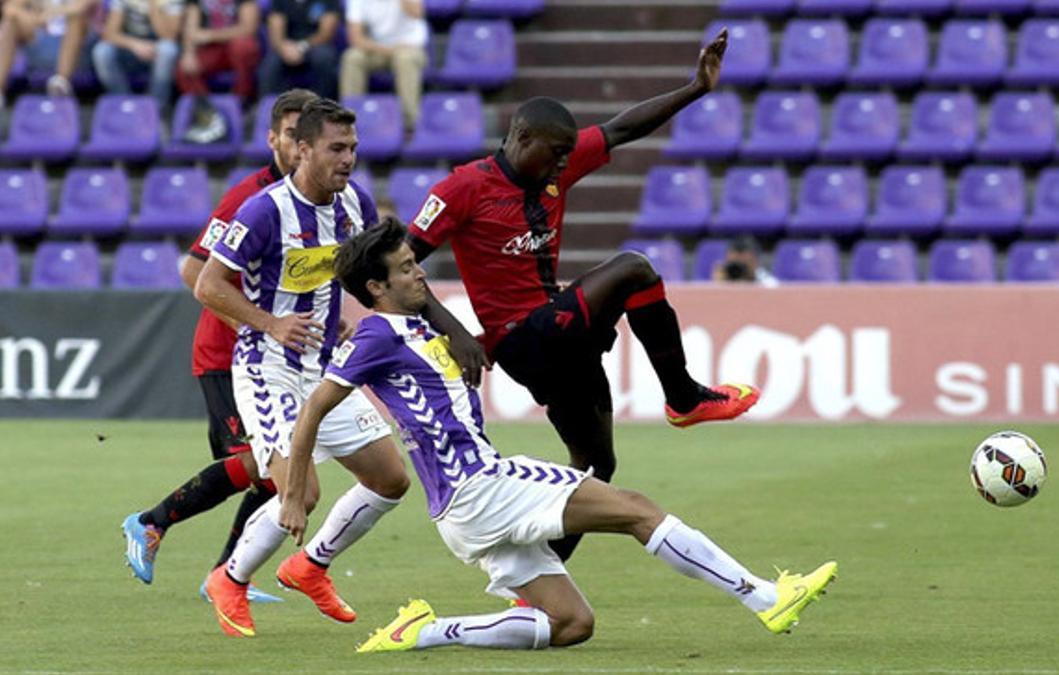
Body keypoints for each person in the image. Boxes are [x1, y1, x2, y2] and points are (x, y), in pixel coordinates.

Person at [277, 221, 837, 653]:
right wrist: (293, 489)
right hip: (479, 486)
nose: (419, 273)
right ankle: (766, 597)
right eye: (404, 269)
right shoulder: (377, 336)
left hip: (463, 509)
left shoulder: (413, 324)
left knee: (571, 625)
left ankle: (423, 632)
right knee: (637, 510)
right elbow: (314, 410)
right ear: (376, 286)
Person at [405, 28, 757, 562]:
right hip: (521, 339)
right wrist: (453, 331)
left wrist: (696, 88)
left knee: (595, 470)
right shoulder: (462, 189)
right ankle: (683, 398)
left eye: (568, 155)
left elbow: (621, 128)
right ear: (522, 138)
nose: (563, 165)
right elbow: (400, 262)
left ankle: (537, 583)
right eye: (555, 154)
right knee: (634, 270)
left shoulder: (555, 168)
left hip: (557, 338)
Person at [194, 98, 409, 638]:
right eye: (337, 148)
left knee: (390, 479)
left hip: (324, 366)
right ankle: (230, 578)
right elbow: (207, 283)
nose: (349, 159)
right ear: (303, 149)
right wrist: (269, 322)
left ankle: (310, 566)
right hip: (268, 368)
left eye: (354, 148)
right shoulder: (263, 211)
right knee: (301, 491)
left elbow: (357, 270)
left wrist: (346, 315)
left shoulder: (354, 204)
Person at [121, 89, 321, 605]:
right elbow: (194, 270)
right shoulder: (249, 198)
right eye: (291, 137)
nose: (301, 147)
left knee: (273, 477)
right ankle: (151, 523)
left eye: (308, 138)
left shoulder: (319, 201)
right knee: (266, 469)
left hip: (284, 360)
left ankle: (228, 577)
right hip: (230, 355)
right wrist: (259, 324)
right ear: (274, 138)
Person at [0, 0, 98, 108]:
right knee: (10, 20)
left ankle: (62, 82)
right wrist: (34, 19)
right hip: (45, 41)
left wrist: (53, 12)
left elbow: (82, 7)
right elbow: (10, 9)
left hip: (80, 52)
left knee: (76, 19)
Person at [339, 0, 427, 130]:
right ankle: (348, 122)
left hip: (411, 47)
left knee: (405, 59)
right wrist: (389, 50)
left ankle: (410, 124)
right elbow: (356, 38)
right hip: (379, 49)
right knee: (352, 57)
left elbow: (417, 13)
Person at [92, 0, 183, 110]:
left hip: (156, 51)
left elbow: (169, 37)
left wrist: (152, 5)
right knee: (101, 51)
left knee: (168, 49)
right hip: (130, 49)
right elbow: (110, 34)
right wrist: (135, 45)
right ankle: (125, 104)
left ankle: (155, 108)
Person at [175, 0, 261, 103]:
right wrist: (189, 53)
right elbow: (191, 30)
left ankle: (242, 101)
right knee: (184, 69)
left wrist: (210, 35)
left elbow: (248, 29)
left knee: (243, 47)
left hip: (235, 45)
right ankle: (209, 110)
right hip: (211, 50)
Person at [258, 0, 339, 99]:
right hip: (287, 47)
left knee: (324, 58)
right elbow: (276, 30)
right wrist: (283, 47)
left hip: (315, 45)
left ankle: (323, 106)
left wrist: (302, 47)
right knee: (269, 65)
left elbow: (326, 33)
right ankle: (272, 108)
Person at [712, 238, 779, 286]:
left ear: (755, 262)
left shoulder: (767, 283)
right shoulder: (725, 277)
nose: (737, 270)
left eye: (743, 266)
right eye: (734, 265)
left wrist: (750, 283)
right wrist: (718, 285)